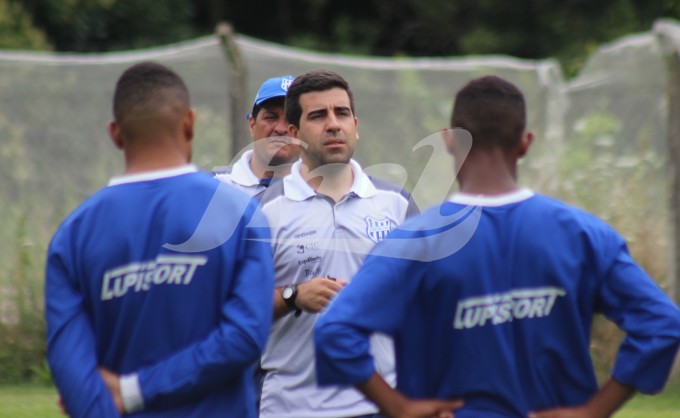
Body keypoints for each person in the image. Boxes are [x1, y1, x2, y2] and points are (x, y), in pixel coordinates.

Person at [314, 75, 680, 418]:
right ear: (525, 143)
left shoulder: (415, 243)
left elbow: (335, 331)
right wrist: (594, 410)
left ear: (449, 140)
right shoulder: (584, 236)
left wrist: (398, 407)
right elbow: (662, 324)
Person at [45, 61, 274, 418]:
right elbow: (245, 337)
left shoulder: (73, 235)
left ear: (115, 133)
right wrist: (136, 390)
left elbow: (69, 363)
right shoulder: (240, 215)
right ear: (189, 123)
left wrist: (119, 398)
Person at [256, 69, 419, 418]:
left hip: (384, 404)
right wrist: (293, 297)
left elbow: (427, 302)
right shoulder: (263, 212)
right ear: (296, 134)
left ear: (356, 125)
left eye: (341, 113)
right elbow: (236, 311)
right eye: (318, 116)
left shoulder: (396, 203)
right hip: (292, 407)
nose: (333, 124)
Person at [214, 75, 301, 196]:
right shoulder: (216, 186)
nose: (281, 129)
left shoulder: (323, 192)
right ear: (252, 125)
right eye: (271, 117)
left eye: (291, 119)